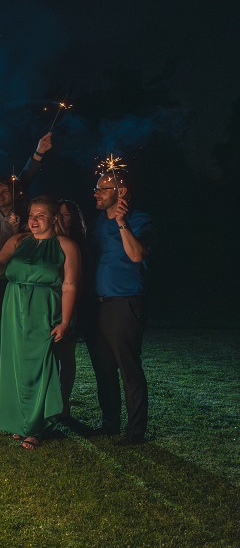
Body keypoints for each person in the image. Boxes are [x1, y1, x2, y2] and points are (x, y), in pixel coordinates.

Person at [0, 197, 81, 450]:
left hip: (45, 309)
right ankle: (18, 420)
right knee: (14, 364)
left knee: (40, 364)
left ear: (53, 218)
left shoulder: (66, 245)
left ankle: (35, 426)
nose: (34, 220)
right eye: (31, 215)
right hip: (13, 307)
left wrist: (65, 321)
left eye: (40, 215)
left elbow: (69, 285)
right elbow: (1, 264)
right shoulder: (17, 240)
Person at [86, 171, 154, 445]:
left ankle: (135, 431)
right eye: (97, 188)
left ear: (121, 191)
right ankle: (109, 423)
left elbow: (137, 255)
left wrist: (122, 222)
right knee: (103, 369)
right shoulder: (97, 224)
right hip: (97, 305)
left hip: (125, 302)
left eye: (103, 188)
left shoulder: (140, 219)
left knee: (128, 368)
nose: (96, 193)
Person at [54, 199, 88, 415]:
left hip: (71, 303)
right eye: (57, 213)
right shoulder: (48, 242)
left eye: (65, 214)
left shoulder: (77, 244)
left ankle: (64, 402)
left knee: (66, 355)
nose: (60, 217)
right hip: (48, 303)